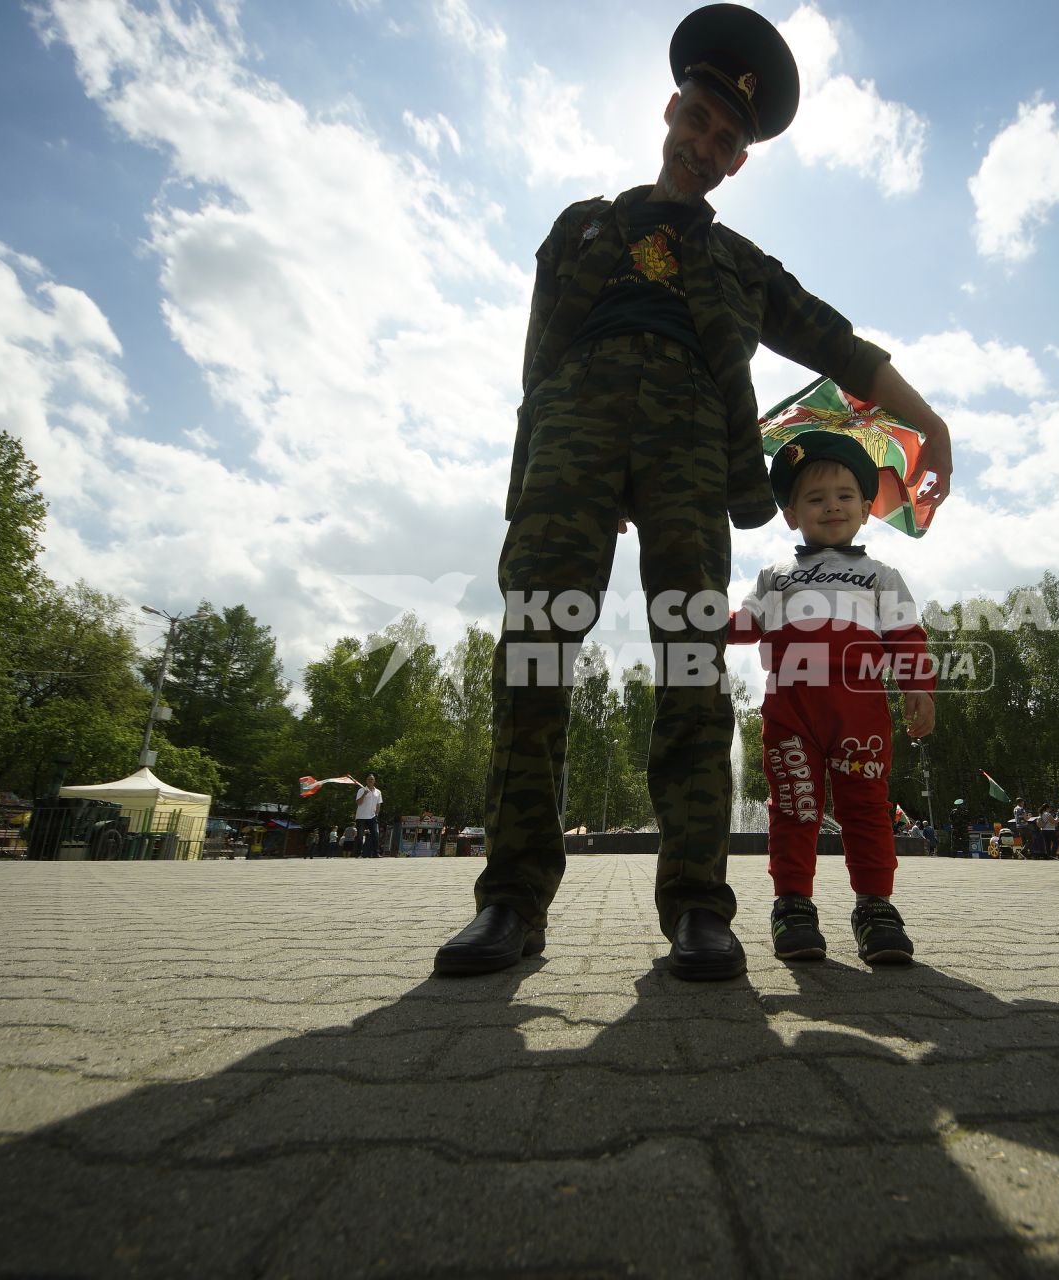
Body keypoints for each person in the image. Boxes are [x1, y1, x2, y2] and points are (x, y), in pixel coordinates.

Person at [434, 5, 953, 980]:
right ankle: (509, 899)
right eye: (700, 119)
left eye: (728, 137)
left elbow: (834, 342)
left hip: (686, 449)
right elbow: (537, 366)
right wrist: (542, 472)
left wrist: (931, 423)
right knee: (534, 649)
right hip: (571, 446)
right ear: (671, 110)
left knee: (689, 666)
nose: (706, 143)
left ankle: (696, 906)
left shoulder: (738, 265)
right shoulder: (581, 228)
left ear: (739, 160)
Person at [730, 430, 935, 965]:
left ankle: (876, 908)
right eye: (815, 498)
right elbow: (748, 622)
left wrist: (918, 688)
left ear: (866, 510)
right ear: (791, 514)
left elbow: (908, 637)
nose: (832, 507)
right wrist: (701, 625)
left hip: (860, 710)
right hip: (790, 711)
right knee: (794, 807)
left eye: (845, 496)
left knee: (866, 808)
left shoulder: (881, 574)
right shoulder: (777, 575)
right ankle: (792, 906)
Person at [353, 773, 383, 858]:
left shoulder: (378, 792)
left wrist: (376, 814)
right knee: (360, 836)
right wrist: (364, 794)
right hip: (361, 816)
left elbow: (378, 804)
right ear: (366, 781)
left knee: (375, 834)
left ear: (374, 781)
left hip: (372, 816)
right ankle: (359, 854)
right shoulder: (361, 790)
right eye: (369, 779)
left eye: (372, 779)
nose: (370, 780)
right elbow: (358, 803)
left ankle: (376, 853)